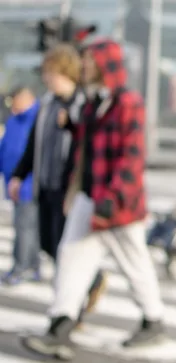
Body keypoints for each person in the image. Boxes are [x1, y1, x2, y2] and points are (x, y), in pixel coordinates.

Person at [19, 39, 165, 361]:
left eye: (89, 61)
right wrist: (72, 125)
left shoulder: (128, 102)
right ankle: (60, 325)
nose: (83, 66)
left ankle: (153, 320)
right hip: (90, 195)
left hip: (118, 203)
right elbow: (89, 141)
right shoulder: (92, 103)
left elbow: (132, 157)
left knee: (135, 262)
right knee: (71, 258)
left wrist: (113, 198)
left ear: (105, 64)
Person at [10, 44, 107, 316]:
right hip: (46, 184)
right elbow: (34, 144)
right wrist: (19, 175)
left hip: (70, 189)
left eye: (50, 72)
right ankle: (88, 284)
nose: (46, 78)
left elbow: (88, 147)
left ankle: (71, 306)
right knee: (48, 244)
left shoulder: (82, 104)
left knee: (66, 249)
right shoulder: (47, 104)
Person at [0, 87, 41, 285]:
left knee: (25, 227)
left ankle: (22, 267)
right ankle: (31, 265)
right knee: (25, 226)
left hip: (29, 183)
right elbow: (5, 149)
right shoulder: (13, 120)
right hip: (14, 182)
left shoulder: (38, 118)